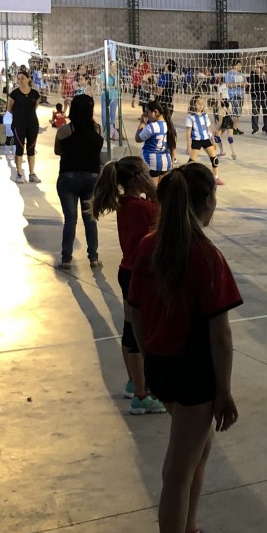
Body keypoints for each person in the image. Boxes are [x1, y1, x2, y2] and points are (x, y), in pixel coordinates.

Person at [127, 164, 241, 533]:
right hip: (194, 374)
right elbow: (220, 334)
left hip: (162, 367)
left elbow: (134, 312)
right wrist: (224, 391)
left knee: (199, 448)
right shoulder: (205, 256)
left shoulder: (148, 246)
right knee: (177, 472)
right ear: (206, 203)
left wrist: (151, 356)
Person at [91, 156, 166, 415]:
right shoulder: (144, 207)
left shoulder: (125, 203)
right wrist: (155, 194)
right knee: (139, 333)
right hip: (142, 274)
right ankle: (141, 396)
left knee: (129, 326)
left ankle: (135, 381)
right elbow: (166, 220)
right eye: (146, 173)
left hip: (128, 270)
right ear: (137, 179)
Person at [54, 92, 105, 269]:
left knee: (70, 219)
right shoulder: (97, 129)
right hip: (92, 177)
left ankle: (66, 259)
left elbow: (57, 151)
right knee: (90, 218)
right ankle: (94, 258)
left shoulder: (64, 130)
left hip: (69, 176)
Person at [7, 72, 43, 182]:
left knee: (31, 148)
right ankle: (19, 174)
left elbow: (35, 107)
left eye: (22, 78)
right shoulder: (14, 94)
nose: (20, 80)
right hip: (19, 124)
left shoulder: (35, 94)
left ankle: (32, 173)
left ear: (28, 79)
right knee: (19, 148)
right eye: (18, 79)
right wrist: (19, 116)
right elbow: (9, 109)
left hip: (32, 124)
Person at [185, 96, 225, 186]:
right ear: (193, 104)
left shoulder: (205, 116)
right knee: (191, 162)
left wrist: (213, 141)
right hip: (197, 140)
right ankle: (185, 177)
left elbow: (209, 129)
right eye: (199, 104)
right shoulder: (190, 117)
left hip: (206, 139)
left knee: (214, 159)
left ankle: (216, 178)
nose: (201, 106)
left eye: (202, 104)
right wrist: (188, 146)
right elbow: (188, 133)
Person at [248, 64, 267, 134]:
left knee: (266, 111)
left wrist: (262, 72)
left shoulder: (265, 72)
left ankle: (265, 128)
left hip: (264, 94)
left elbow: (266, 80)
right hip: (255, 95)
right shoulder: (252, 73)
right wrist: (256, 72)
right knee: (255, 112)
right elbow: (252, 82)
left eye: (260, 66)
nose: (258, 67)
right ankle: (255, 128)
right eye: (257, 66)